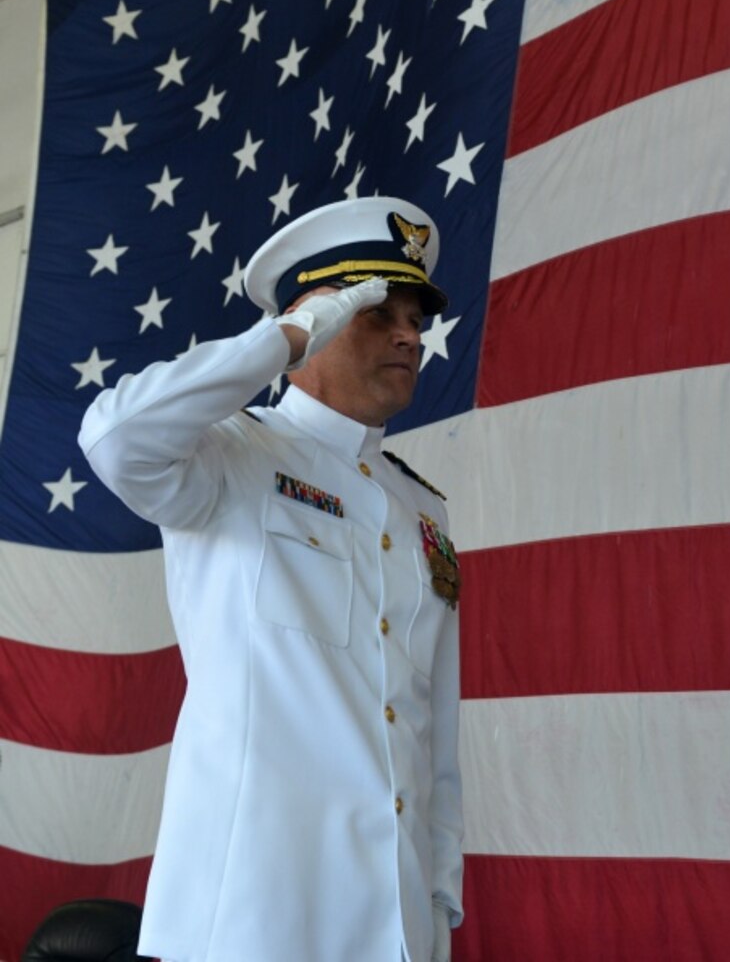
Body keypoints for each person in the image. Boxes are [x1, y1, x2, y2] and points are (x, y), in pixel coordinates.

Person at [79, 196, 464, 962]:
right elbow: (114, 437)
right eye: (377, 310)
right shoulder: (230, 456)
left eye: (417, 318)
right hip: (254, 913)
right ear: (317, 312)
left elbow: (431, 716)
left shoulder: (421, 507)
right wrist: (284, 338)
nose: (408, 335)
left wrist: (438, 897)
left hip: (395, 921)